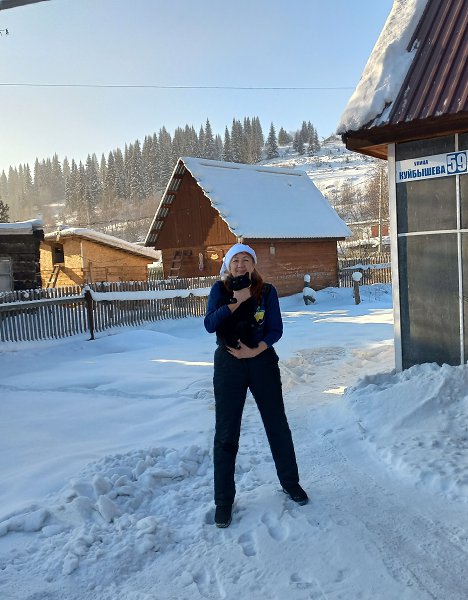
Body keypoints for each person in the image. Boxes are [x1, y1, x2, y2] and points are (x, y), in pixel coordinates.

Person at [204, 243, 308, 528]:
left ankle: (290, 483)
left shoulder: (267, 291)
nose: (240, 264)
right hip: (228, 365)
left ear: (253, 264)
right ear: (228, 265)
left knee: (277, 424)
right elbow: (210, 324)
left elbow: (276, 329)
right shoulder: (219, 290)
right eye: (235, 260)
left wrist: (255, 350)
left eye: (245, 259)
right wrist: (236, 301)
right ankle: (223, 501)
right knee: (226, 432)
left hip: (261, 362)